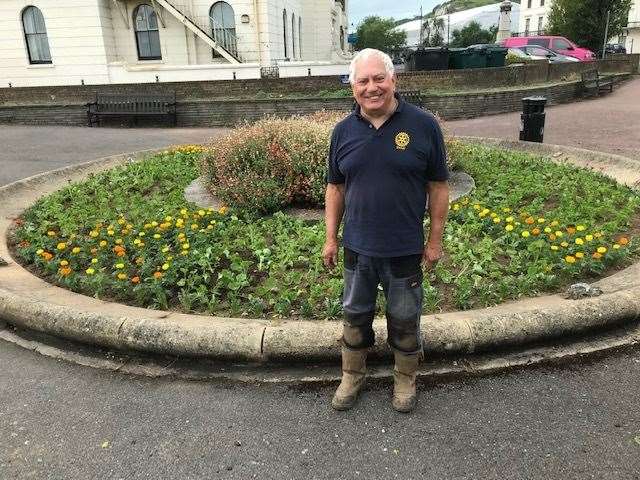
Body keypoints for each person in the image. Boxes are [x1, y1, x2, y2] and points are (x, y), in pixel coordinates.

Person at [322, 48, 450, 413]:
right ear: (352, 87)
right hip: (357, 249)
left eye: (379, 78)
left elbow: (438, 187)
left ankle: (405, 379)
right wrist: (331, 238)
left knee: (405, 320)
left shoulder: (423, 125)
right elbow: (336, 188)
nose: (371, 87)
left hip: (404, 250)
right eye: (362, 80)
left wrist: (434, 241)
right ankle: (352, 375)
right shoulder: (343, 132)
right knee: (355, 316)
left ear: (394, 80)